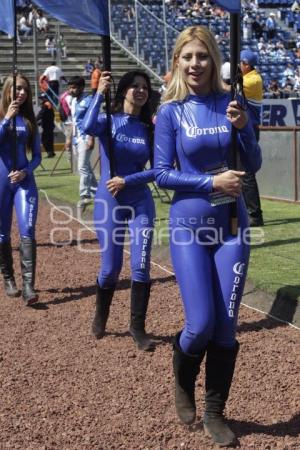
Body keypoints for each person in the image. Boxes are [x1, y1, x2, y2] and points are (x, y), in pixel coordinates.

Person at [154, 26, 262, 447]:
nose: (195, 64)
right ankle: (182, 379)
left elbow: (250, 163)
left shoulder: (231, 103)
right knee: (199, 324)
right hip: (188, 227)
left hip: (232, 229)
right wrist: (211, 184)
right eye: (188, 57)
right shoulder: (170, 112)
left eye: (202, 56)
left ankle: (216, 413)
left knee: (226, 327)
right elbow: (162, 173)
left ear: (214, 59)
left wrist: (245, 126)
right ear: (178, 61)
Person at [83, 70, 156, 351]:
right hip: (109, 200)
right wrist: (100, 92)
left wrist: (129, 180)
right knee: (110, 268)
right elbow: (87, 127)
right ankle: (101, 315)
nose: (140, 91)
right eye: (134, 86)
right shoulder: (107, 121)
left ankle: (137, 327)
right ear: (123, 90)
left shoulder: (149, 127)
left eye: (145, 87)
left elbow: (157, 171)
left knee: (140, 265)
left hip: (139, 201)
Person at [0, 73, 41, 305]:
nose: (22, 93)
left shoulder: (29, 120)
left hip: (24, 181)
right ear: (7, 90)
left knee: (28, 229)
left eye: (25, 89)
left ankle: (28, 287)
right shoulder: (2, 116)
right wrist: (6, 119)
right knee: (3, 232)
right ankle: (8, 278)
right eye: (18, 88)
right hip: (1, 181)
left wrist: (27, 171)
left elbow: (36, 156)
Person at [240, 49, 264, 226]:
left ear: (246, 64)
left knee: (247, 172)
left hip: (250, 129)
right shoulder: (250, 77)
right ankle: (247, 212)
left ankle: (255, 215)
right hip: (245, 127)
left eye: (241, 63)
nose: (239, 66)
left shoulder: (254, 79)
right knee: (241, 171)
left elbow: (230, 88)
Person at [68, 76, 97, 206]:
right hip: (76, 138)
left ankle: (85, 195)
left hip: (85, 138)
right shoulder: (73, 101)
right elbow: (73, 121)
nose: (71, 90)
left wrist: (91, 138)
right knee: (87, 168)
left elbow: (93, 120)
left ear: (81, 88)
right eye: (70, 87)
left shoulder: (89, 100)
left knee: (82, 167)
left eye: (73, 87)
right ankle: (97, 192)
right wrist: (69, 138)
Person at [36, 93, 55, 158]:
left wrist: (35, 120)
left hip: (47, 126)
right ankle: (51, 152)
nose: (40, 100)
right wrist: (41, 122)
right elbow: (49, 116)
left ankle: (50, 152)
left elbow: (41, 114)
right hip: (50, 125)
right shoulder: (49, 104)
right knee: (50, 139)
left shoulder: (45, 105)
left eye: (41, 98)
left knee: (44, 140)